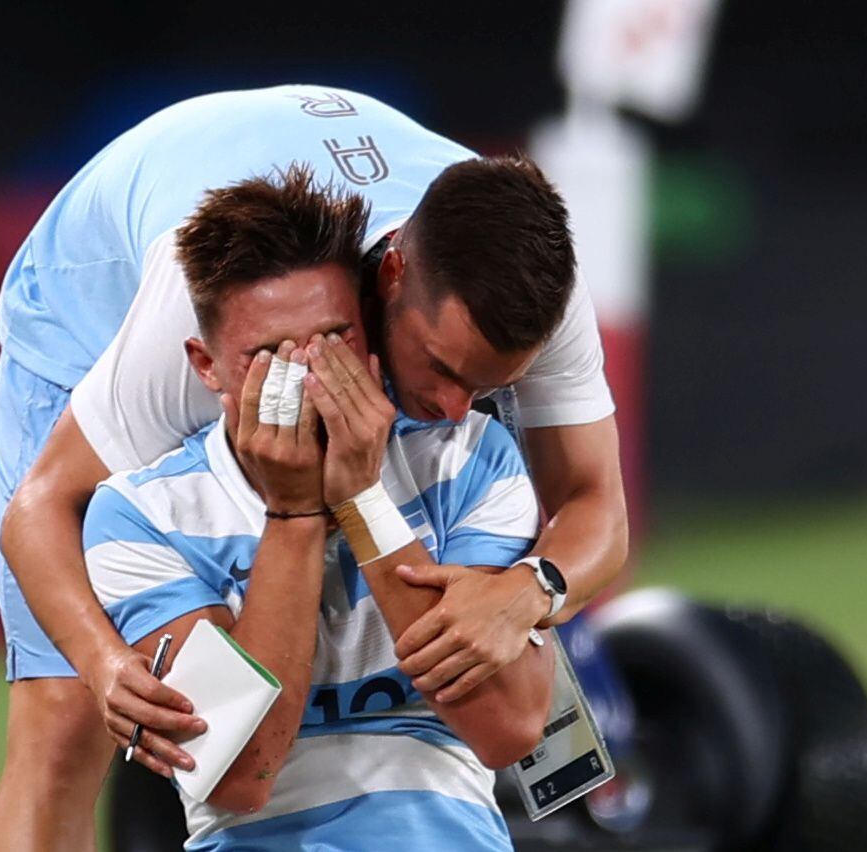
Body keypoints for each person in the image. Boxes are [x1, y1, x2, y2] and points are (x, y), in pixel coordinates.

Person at [0, 85, 628, 849]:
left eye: (490, 387)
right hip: (90, 288)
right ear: (388, 277)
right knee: (62, 726)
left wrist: (528, 592)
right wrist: (100, 665)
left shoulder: (529, 283)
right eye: (442, 370)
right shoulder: (201, 323)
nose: (458, 411)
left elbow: (596, 508)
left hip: (333, 180)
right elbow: (40, 508)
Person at [82, 165, 553, 849]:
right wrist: (294, 516)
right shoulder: (142, 515)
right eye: (270, 356)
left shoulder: (466, 460)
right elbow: (242, 775)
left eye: (334, 343)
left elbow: (505, 729)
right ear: (206, 366)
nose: (306, 382)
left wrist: (363, 501)